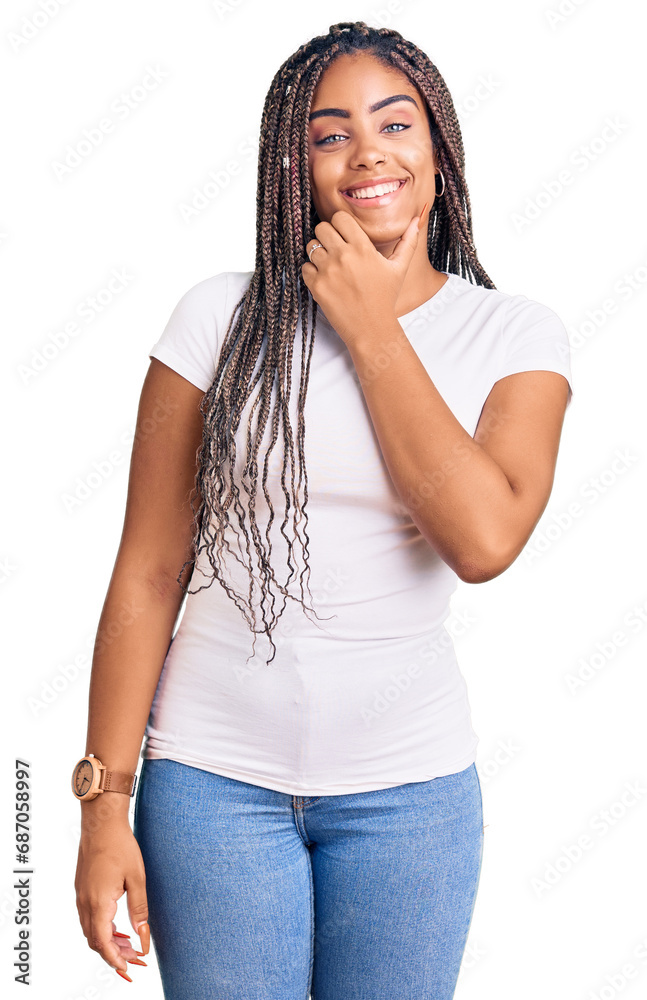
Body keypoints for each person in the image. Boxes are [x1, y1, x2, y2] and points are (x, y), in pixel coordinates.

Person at [73, 20, 574, 1000]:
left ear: (438, 147)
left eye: (395, 122)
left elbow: (481, 539)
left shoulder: (513, 334)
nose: (367, 152)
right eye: (329, 133)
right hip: (209, 787)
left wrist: (370, 323)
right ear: (293, 165)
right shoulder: (217, 318)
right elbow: (147, 569)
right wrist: (103, 808)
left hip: (409, 800)